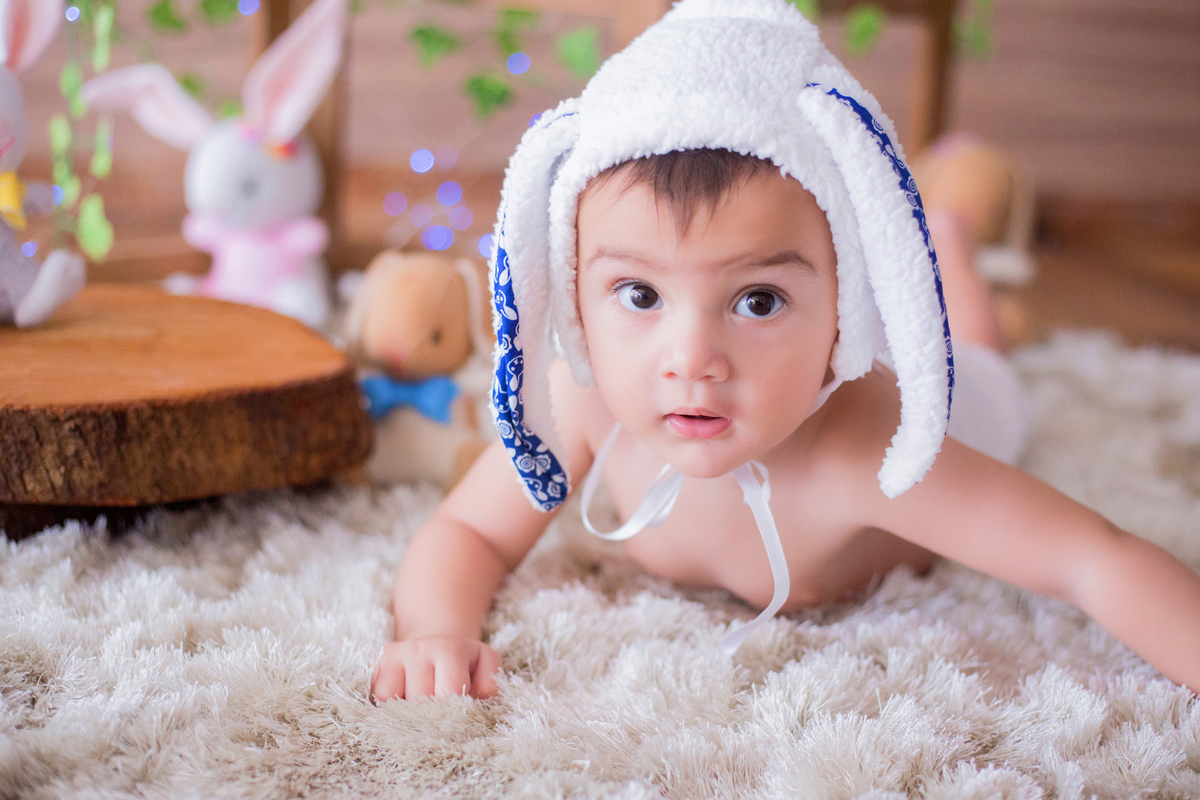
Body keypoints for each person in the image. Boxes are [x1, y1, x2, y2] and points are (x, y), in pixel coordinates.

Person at [371, 0, 1200, 701]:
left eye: (757, 301)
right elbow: (469, 531)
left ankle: (944, 237)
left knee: (975, 348)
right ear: (575, 292)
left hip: (970, 401)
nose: (691, 359)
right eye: (640, 295)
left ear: (844, 307)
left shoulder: (875, 446)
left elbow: (1094, 560)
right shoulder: (584, 402)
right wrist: (435, 631)